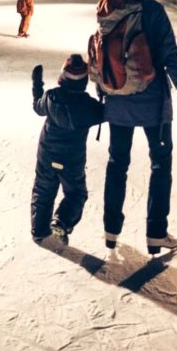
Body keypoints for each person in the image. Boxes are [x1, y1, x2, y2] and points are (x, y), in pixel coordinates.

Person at [102, 0, 177, 256]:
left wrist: (103, 90)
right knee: (160, 164)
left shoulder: (108, 5)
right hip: (152, 102)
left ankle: (111, 229)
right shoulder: (153, 10)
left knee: (117, 165)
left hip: (117, 98)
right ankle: (156, 233)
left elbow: (104, 52)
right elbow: (170, 55)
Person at [31, 56, 104, 244]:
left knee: (43, 190)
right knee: (76, 193)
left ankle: (39, 229)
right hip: (72, 159)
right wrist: (102, 89)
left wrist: (37, 85)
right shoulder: (89, 106)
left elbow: (37, 107)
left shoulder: (51, 97)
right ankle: (62, 220)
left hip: (47, 153)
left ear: (62, 78)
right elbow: (107, 112)